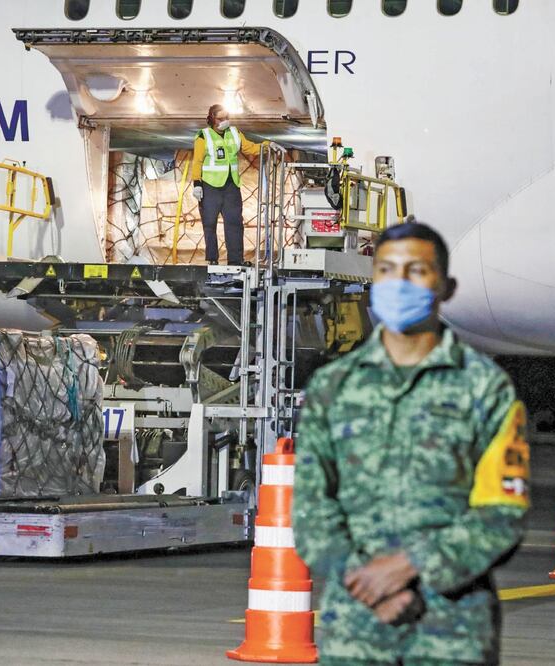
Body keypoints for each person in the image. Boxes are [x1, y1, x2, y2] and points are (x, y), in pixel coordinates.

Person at [292, 222, 530, 665]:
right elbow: (311, 509)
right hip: (356, 628)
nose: (399, 283)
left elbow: (502, 514)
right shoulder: (333, 388)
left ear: (447, 286)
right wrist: (364, 584)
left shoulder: (485, 389)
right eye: (386, 269)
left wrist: (409, 566)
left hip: (452, 630)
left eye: (416, 270)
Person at [192, 104, 271, 266]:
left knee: (235, 223)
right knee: (209, 223)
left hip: (231, 185)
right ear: (212, 119)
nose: (224, 121)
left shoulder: (234, 133)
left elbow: (249, 148)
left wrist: (266, 145)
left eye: (227, 118)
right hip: (210, 186)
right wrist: (197, 183)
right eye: (221, 119)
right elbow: (197, 161)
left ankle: (235, 260)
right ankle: (212, 259)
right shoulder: (203, 136)